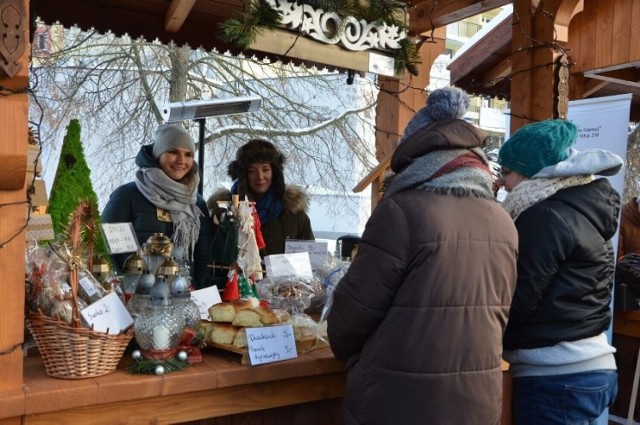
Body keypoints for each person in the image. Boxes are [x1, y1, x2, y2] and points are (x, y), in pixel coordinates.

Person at [327, 87, 519, 425]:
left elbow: (348, 319)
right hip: (476, 403)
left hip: (399, 401)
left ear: (413, 157)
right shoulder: (503, 221)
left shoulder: (401, 210)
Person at [498, 119, 622, 425]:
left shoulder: (543, 216)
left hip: (555, 378)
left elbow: (519, 298)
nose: (502, 183)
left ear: (532, 173)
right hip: (593, 367)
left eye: (507, 172)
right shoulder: (579, 208)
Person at [102, 124, 214, 289]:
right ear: (157, 155)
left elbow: (204, 257)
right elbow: (110, 251)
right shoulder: (126, 196)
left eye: (188, 154)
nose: (181, 160)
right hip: (137, 297)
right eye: (173, 152)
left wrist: (200, 292)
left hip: (184, 297)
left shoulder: (196, 203)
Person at [207, 138, 314, 257]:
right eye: (252, 171)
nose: (260, 177)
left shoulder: (294, 214)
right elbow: (210, 258)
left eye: (265, 169)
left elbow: (310, 261)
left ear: (274, 172)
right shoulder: (224, 212)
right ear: (243, 175)